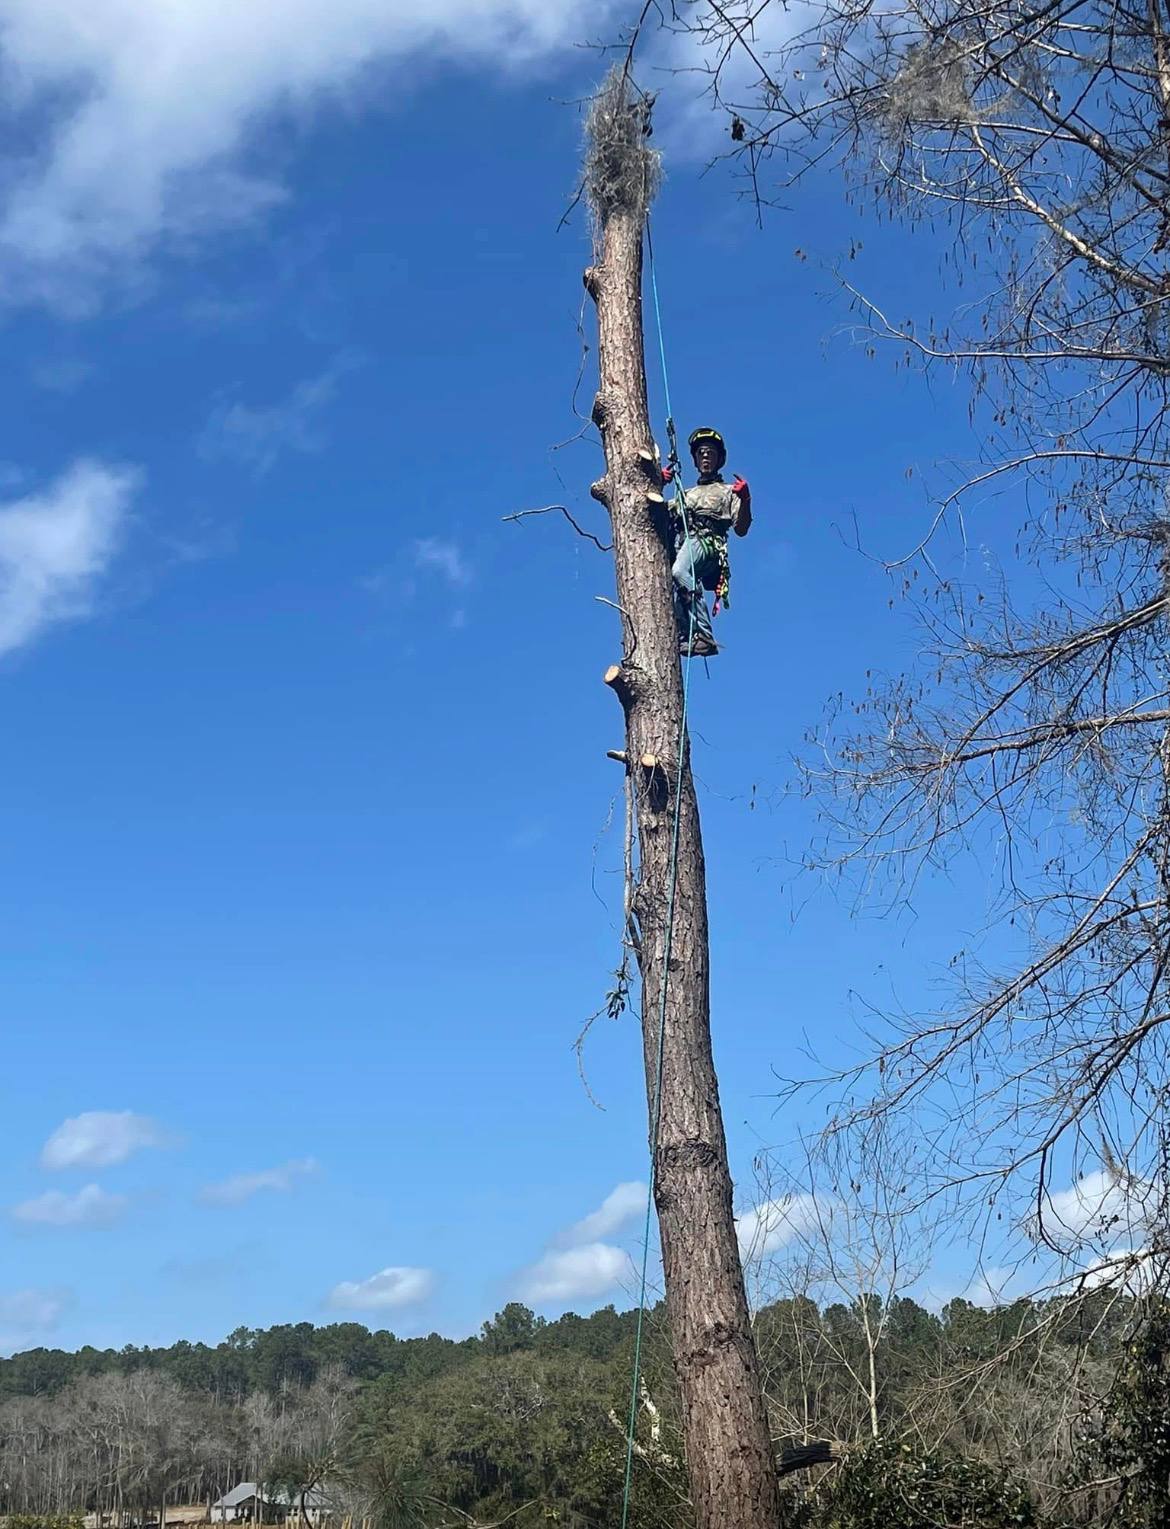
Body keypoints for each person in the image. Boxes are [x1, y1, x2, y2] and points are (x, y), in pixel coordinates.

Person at [663, 426, 752, 659]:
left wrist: (745, 499)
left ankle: (703, 634)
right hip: (685, 543)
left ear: (719, 459)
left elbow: (741, 529)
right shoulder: (686, 494)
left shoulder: (727, 491)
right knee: (674, 586)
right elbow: (659, 515)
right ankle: (686, 633)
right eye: (701, 452)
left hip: (707, 541)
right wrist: (657, 482)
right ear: (694, 459)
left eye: (710, 453)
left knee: (679, 571)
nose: (705, 456)